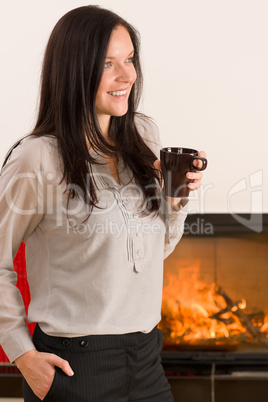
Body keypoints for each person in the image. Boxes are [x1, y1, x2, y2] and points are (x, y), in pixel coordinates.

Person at [0, 5, 206, 402]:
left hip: (147, 363)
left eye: (129, 59)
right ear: (74, 70)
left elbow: (152, 252)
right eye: (108, 63)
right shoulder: (37, 158)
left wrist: (175, 199)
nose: (126, 75)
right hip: (75, 369)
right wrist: (22, 355)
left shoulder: (144, 135)